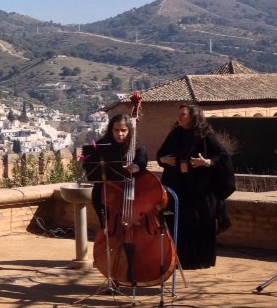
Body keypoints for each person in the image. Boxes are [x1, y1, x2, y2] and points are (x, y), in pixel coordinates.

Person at [156, 104, 235, 270]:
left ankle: (201, 260)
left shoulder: (205, 135)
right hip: (178, 185)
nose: (179, 118)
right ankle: (178, 259)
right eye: (179, 114)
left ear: (193, 116)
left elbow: (222, 156)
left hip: (199, 188)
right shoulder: (175, 134)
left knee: (200, 223)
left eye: (183, 115)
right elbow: (160, 154)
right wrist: (164, 160)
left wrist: (207, 162)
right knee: (179, 223)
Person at [82, 113, 148, 229]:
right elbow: (89, 163)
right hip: (104, 193)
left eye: (123, 130)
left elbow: (142, 160)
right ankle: (106, 232)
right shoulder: (101, 145)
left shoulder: (137, 148)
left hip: (128, 193)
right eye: (116, 130)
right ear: (111, 130)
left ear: (129, 131)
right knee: (107, 225)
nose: (120, 134)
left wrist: (136, 167)